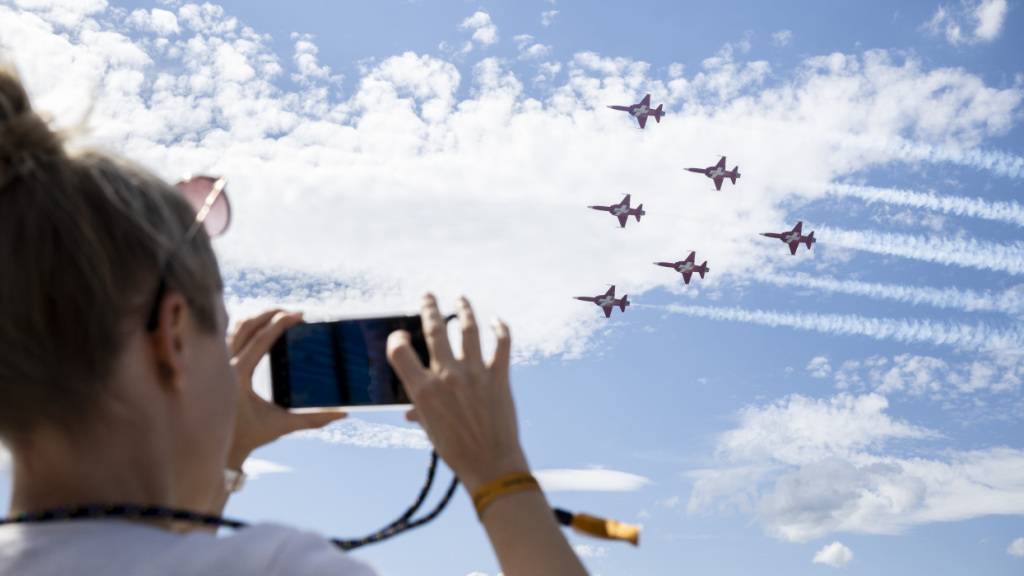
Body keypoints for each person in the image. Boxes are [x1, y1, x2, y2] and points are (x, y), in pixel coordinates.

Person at [0, 67, 588, 575]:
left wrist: (223, 461)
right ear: (173, 336)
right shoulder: (276, 569)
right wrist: (499, 471)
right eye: (218, 333)